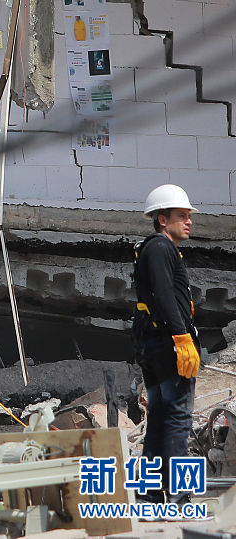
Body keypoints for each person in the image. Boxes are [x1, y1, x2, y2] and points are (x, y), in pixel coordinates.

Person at [133, 184, 200, 502]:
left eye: (189, 216)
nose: (189, 222)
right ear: (162, 219)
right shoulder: (160, 248)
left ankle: (150, 494)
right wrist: (182, 337)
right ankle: (179, 495)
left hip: (155, 343)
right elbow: (162, 294)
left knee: (161, 416)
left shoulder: (155, 248)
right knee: (177, 417)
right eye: (182, 216)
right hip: (167, 345)